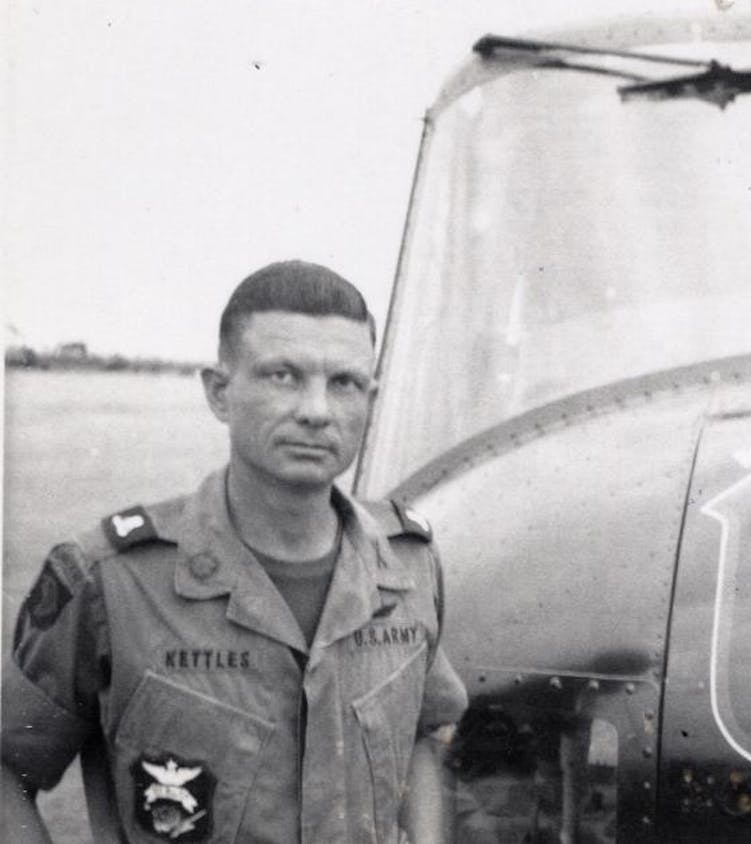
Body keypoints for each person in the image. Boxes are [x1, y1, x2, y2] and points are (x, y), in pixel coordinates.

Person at [2, 261, 468, 843]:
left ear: (370, 400)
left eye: (344, 383)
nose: (317, 410)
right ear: (220, 392)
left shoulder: (409, 566)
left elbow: (427, 733)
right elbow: (7, 767)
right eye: (283, 376)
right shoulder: (110, 582)